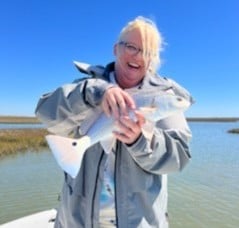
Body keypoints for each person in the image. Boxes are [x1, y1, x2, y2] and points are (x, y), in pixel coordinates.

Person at [35, 16, 193, 228]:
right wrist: (92, 93)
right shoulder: (87, 86)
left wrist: (140, 142)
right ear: (115, 49)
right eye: (131, 46)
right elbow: (45, 113)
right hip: (77, 221)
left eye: (147, 51)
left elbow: (179, 158)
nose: (138, 55)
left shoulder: (164, 96)